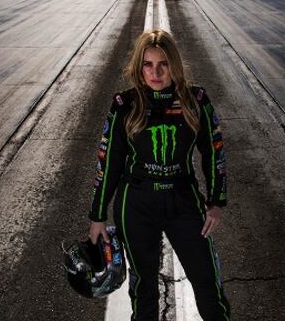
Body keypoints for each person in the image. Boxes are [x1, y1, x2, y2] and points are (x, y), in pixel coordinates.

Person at [88, 29, 231, 320]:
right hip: (136, 204)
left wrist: (216, 202)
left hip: (183, 201)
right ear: (139, 68)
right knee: (144, 291)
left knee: (207, 283)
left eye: (163, 64)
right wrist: (97, 215)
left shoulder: (196, 101)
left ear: (174, 65)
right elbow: (108, 163)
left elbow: (214, 151)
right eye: (148, 64)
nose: (156, 72)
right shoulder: (124, 105)